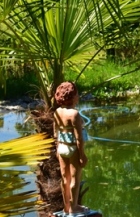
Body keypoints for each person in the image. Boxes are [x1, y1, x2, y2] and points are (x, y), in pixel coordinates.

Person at [54, 81, 89, 216]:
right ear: (72, 97)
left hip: (61, 148)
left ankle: (66, 207)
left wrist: (57, 149)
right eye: (76, 94)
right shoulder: (74, 114)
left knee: (64, 178)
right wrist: (82, 155)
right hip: (73, 149)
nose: (78, 97)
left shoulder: (57, 112)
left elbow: (55, 133)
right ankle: (74, 208)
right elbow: (79, 138)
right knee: (75, 178)